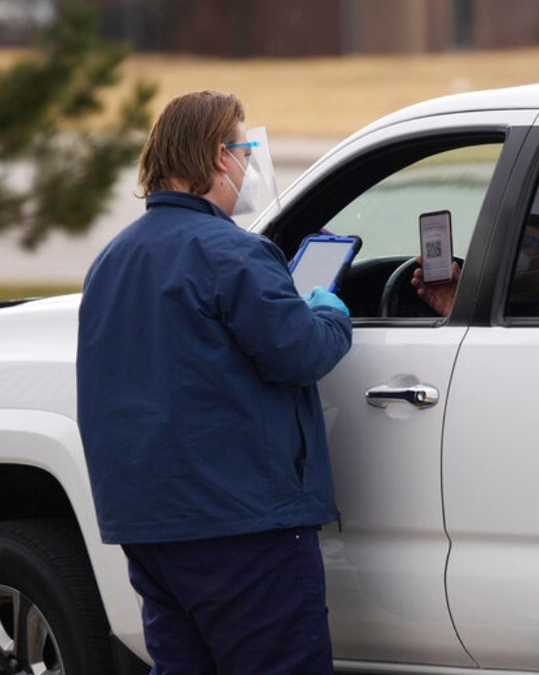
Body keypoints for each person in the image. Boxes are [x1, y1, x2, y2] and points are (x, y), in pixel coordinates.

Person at [75, 90, 353, 674]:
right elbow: (299, 353)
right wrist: (329, 312)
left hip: (151, 527)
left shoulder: (112, 259)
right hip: (244, 523)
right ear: (218, 157)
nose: (248, 165)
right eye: (244, 149)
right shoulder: (234, 253)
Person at [411, 216, 539, 317]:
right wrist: (459, 308)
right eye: (508, 243)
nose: (511, 252)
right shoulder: (495, 308)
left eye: (525, 244)